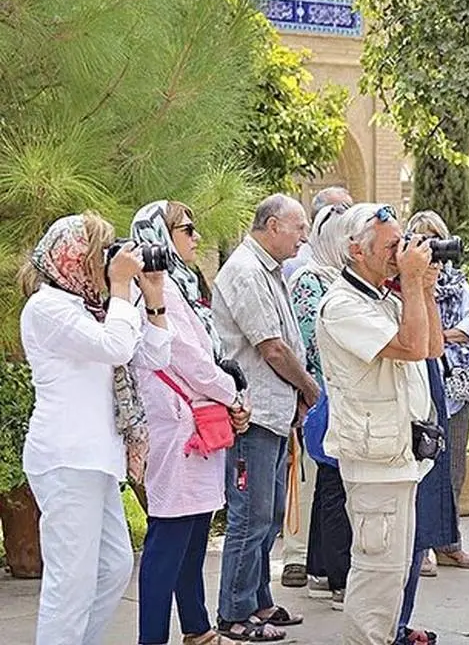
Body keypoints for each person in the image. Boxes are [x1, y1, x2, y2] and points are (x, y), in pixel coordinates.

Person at [19, 213, 172, 645]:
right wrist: (122, 287)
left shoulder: (95, 309)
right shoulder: (46, 308)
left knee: (113, 566)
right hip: (67, 458)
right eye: (101, 255)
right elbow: (116, 346)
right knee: (70, 583)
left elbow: (153, 359)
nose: (109, 263)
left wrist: (154, 298)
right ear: (75, 259)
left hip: (96, 460)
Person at [316, 203, 441, 645]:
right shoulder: (342, 305)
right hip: (374, 462)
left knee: (392, 578)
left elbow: (430, 346)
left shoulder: (382, 298)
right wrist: (409, 279)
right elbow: (410, 346)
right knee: (375, 579)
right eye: (391, 247)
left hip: (398, 456)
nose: (399, 253)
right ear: (356, 250)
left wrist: (422, 288)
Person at [129, 201, 252, 645]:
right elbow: (190, 361)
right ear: (159, 235)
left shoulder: (176, 285)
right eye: (187, 228)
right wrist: (233, 393)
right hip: (177, 425)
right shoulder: (151, 290)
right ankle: (153, 638)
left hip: (196, 424)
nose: (196, 237)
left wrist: (226, 393)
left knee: (194, 532)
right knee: (170, 536)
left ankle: (197, 628)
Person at [213, 194, 316, 639]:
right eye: (298, 228)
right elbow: (271, 347)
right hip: (252, 416)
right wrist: (311, 389)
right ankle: (235, 613)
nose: (304, 237)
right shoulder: (245, 271)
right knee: (250, 517)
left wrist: (297, 396)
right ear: (272, 226)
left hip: (273, 412)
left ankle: (258, 602)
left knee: (269, 515)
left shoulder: (266, 269)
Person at [282, 185, 353, 591]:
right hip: (319, 398)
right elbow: (310, 344)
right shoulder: (308, 278)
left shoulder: (339, 277)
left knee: (331, 485)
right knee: (314, 482)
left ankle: (323, 566)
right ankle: (304, 560)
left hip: (342, 399)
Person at [406, 210, 469, 573]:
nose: (431, 248)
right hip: (422, 375)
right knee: (423, 462)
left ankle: (450, 541)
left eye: (435, 238)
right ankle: (422, 546)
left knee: (455, 464)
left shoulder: (457, 281)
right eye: (421, 239)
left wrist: (447, 334)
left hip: (459, 379)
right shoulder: (405, 280)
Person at [394, 356, 459, 645]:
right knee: (391, 535)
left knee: (420, 521)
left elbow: (431, 343)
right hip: (390, 410)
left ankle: (398, 622)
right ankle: (390, 625)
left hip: (421, 392)